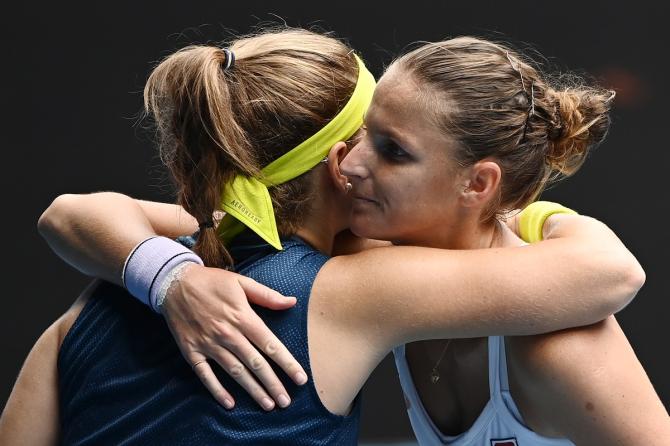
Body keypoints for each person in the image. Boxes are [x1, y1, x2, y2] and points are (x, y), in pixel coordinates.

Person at [2, 28, 666, 445]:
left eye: (392, 148)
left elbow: (71, 213)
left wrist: (164, 276)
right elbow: (609, 271)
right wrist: (547, 219)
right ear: (329, 165)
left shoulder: (78, 320)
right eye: (359, 142)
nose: (357, 166)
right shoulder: (362, 281)